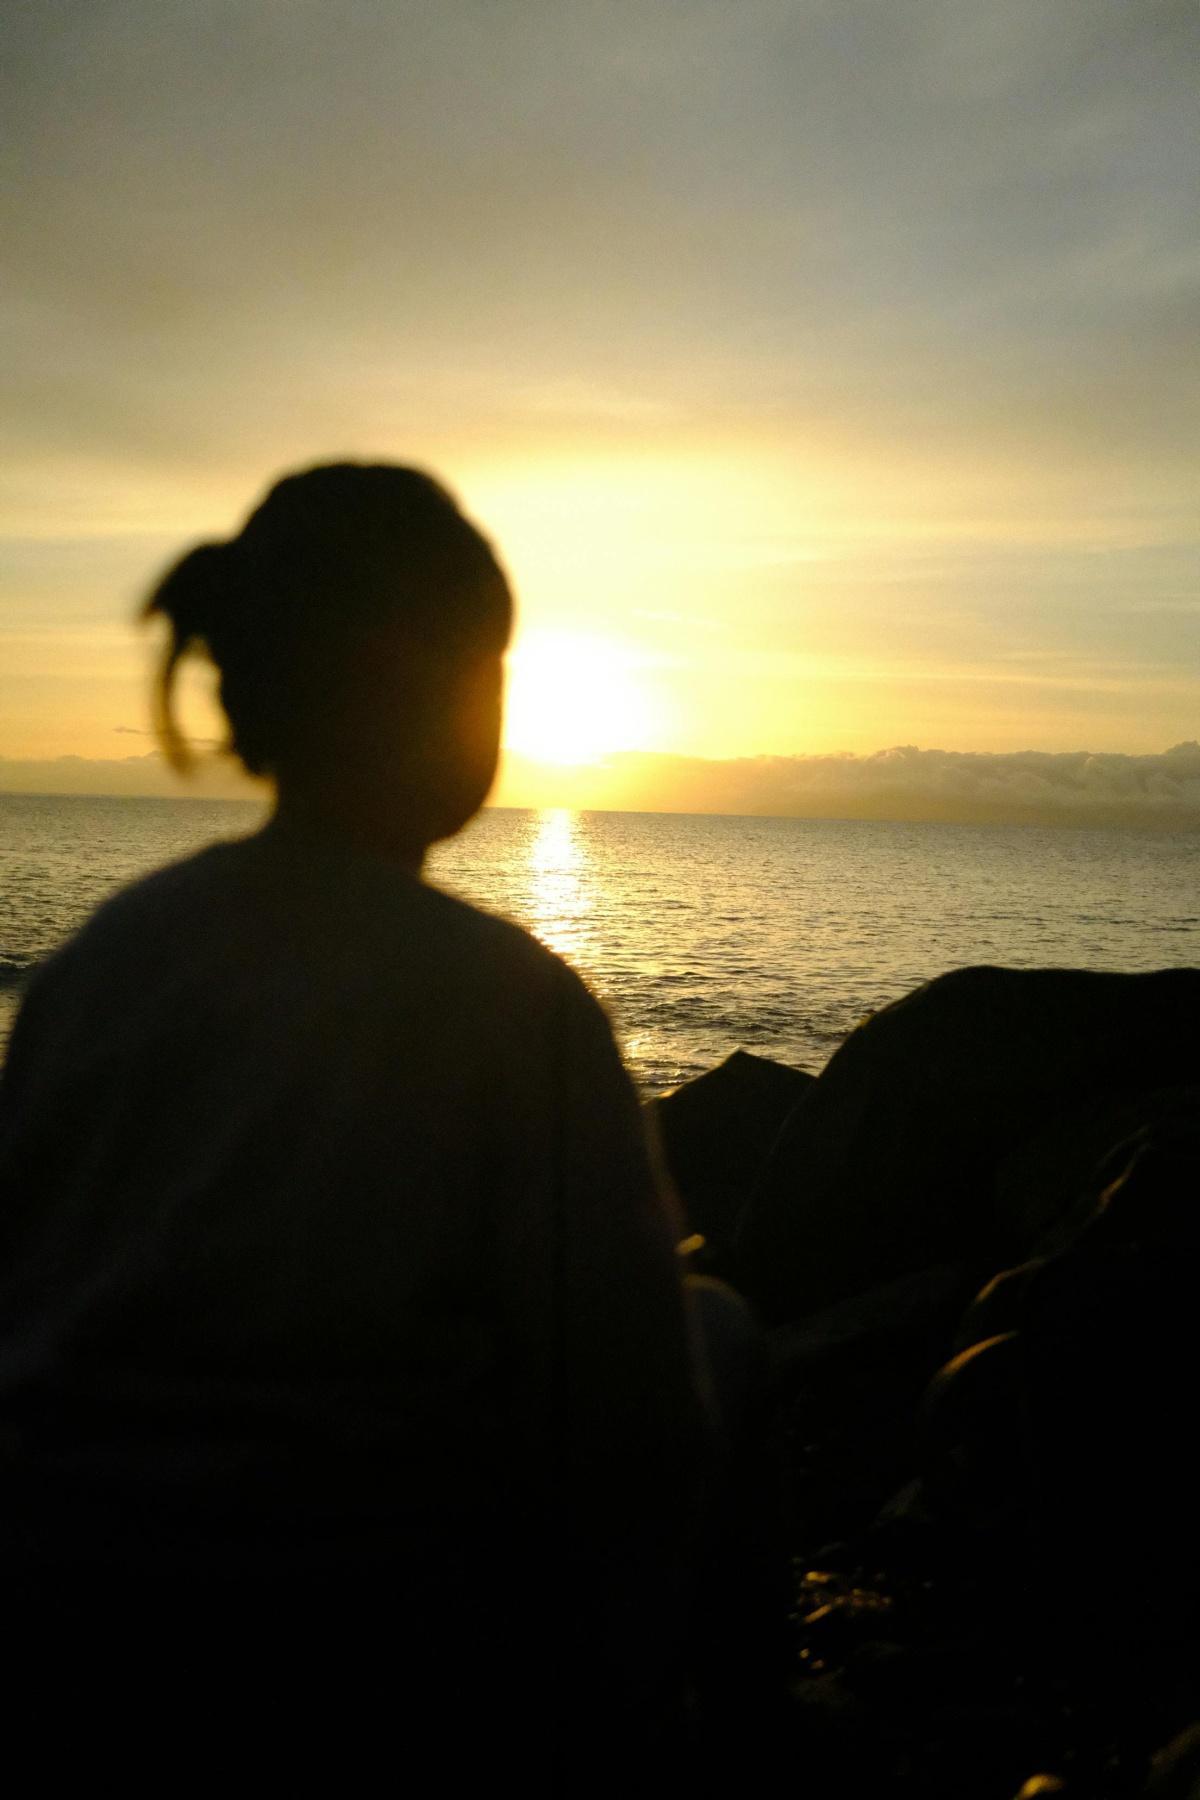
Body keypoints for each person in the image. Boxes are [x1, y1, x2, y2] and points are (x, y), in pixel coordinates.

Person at [0, 463, 712, 1778]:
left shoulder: (99, 966)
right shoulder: (514, 1007)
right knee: (723, 1343)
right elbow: (628, 1407)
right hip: (379, 1664)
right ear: (425, 685)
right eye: (490, 671)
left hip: (62, 1632)